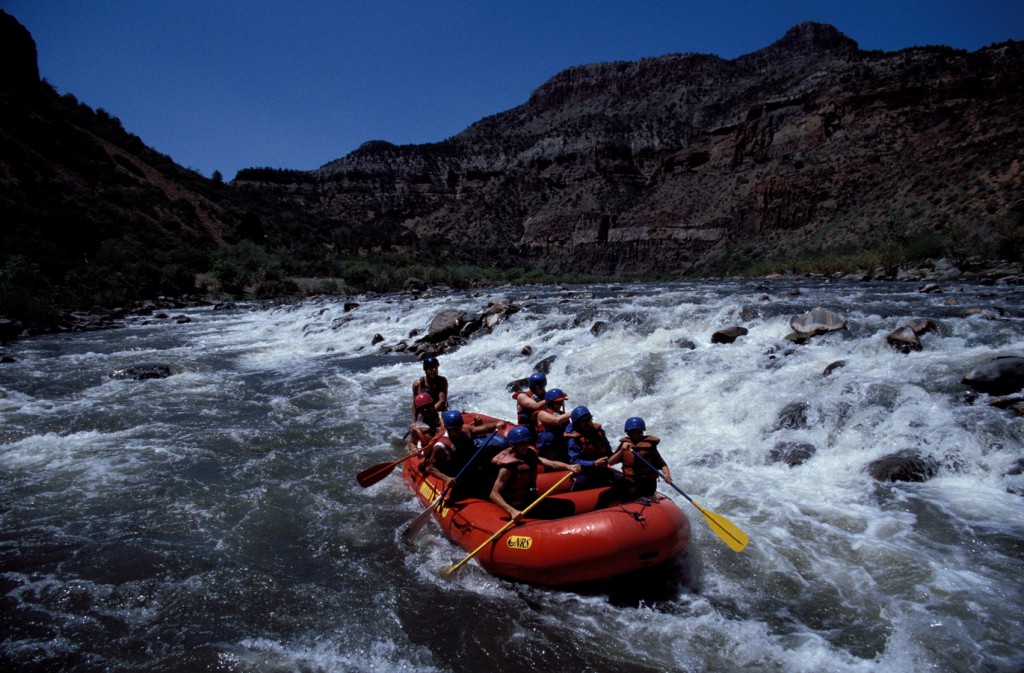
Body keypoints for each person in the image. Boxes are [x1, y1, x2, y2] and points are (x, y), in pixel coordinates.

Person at [490, 425, 580, 521]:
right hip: (518, 506)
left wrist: (568, 466)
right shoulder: (507, 468)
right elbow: (494, 494)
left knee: (568, 505)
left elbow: (550, 463)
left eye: (527, 443)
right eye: (522, 444)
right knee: (560, 510)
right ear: (512, 445)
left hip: (530, 500)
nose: (525, 446)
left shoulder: (530, 455)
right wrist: (511, 511)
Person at [423, 410, 504, 500]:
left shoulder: (466, 429)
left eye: (458, 427)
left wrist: (496, 425)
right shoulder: (441, 446)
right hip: (456, 474)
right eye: (454, 429)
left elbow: (486, 429)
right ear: (448, 429)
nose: (457, 431)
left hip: (471, 466)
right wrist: (446, 479)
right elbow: (431, 467)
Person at [602, 416, 671, 506]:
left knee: (629, 497)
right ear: (629, 433)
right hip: (629, 481)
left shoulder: (649, 447)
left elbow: (662, 464)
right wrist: (622, 451)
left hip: (646, 484)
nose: (637, 435)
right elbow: (611, 462)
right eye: (634, 433)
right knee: (603, 495)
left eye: (639, 432)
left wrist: (667, 475)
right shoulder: (624, 445)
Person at [566, 405, 623, 493]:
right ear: (577, 424)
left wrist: (621, 453)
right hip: (585, 472)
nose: (587, 423)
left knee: (621, 479)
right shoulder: (574, 439)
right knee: (580, 482)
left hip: (601, 470)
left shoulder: (599, 432)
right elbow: (574, 460)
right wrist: (594, 463)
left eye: (588, 419)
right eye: (583, 421)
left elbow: (608, 453)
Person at [534, 388, 571, 462]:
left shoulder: (563, 415)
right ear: (550, 403)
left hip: (561, 447)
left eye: (561, 402)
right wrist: (573, 413)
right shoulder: (542, 413)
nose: (560, 405)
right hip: (547, 450)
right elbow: (556, 421)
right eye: (557, 403)